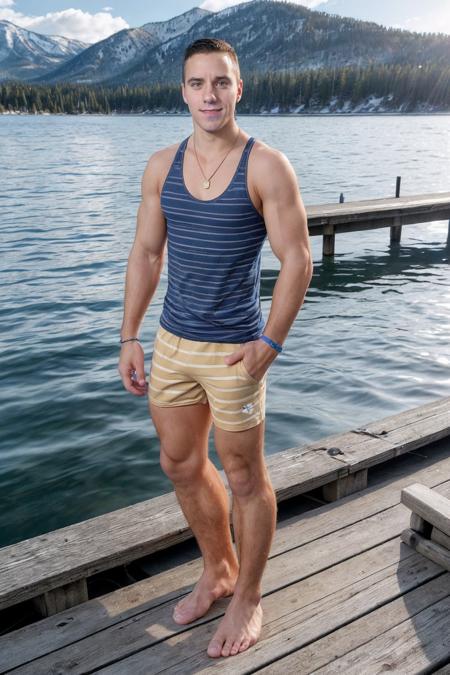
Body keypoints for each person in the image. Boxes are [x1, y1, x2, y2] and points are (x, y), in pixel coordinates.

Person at [118, 37, 313, 659]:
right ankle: (218, 568)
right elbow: (147, 254)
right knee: (178, 463)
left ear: (239, 89)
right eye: (198, 83)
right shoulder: (160, 165)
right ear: (183, 91)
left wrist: (269, 343)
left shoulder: (267, 166)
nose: (210, 94)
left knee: (246, 476)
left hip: (235, 351)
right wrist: (130, 335)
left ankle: (248, 596)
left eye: (221, 83)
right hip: (172, 345)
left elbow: (297, 259)